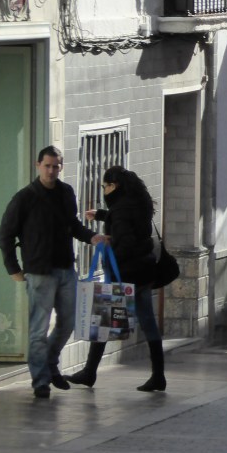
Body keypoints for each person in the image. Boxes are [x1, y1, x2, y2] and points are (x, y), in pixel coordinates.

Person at [0, 146, 106, 399]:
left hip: (66, 269)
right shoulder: (24, 198)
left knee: (68, 321)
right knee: (38, 329)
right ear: (38, 166)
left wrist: (93, 237)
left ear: (61, 167)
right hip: (38, 272)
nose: (51, 170)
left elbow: (74, 226)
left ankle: (50, 361)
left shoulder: (66, 192)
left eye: (56, 166)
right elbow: (5, 234)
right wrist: (13, 268)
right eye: (47, 166)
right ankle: (41, 381)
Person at [68, 166, 166, 392]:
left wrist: (109, 245)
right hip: (144, 272)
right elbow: (127, 221)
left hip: (124, 274)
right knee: (148, 323)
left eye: (105, 186)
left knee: (103, 320)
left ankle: (89, 372)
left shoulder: (121, 210)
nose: (104, 190)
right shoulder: (139, 203)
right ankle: (158, 375)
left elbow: (125, 239)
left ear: (115, 186)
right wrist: (103, 215)